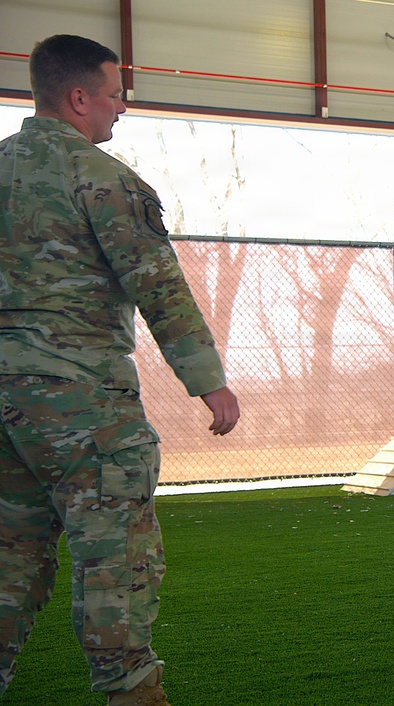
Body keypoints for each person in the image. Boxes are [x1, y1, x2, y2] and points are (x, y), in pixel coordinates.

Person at [0, 35, 240, 704]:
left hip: (4, 409)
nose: (120, 108)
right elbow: (157, 285)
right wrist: (208, 380)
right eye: (113, 94)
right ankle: (132, 693)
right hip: (82, 408)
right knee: (116, 561)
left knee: (7, 562)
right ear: (78, 98)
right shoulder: (101, 178)